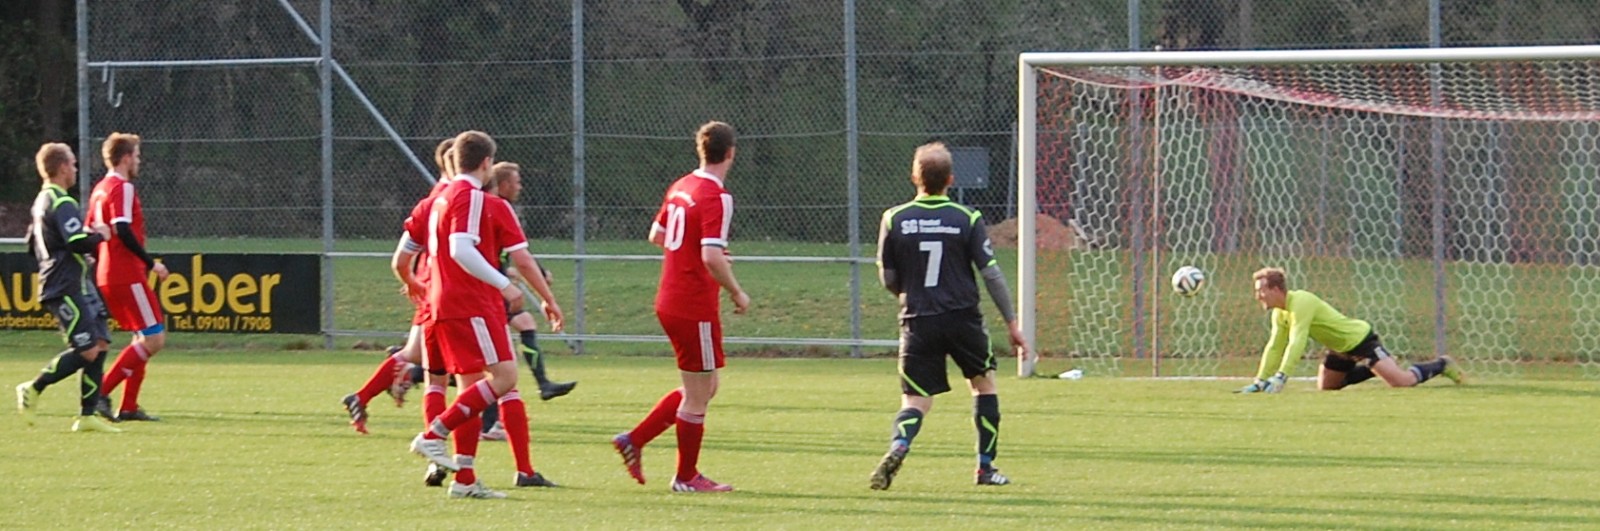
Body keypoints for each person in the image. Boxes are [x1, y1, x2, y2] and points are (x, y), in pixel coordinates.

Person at [406, 130, 564, 499]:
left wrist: (412, 282)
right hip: (472, 303)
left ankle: (464, 479)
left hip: (438, 301)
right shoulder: (476, 199)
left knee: (465, 387)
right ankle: (433, 435)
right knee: (506, 377)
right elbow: (471, 251)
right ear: (487, 163)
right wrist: (516, 288)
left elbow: (403, 255)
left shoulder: (437, 199)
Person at [868, 141, 1030, 490]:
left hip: (918, 318)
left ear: (915, 177)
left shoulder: (894, 218)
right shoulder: (967, 218)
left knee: (915, 400)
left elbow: (888, 277)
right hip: (962, 318)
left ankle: (899, 444)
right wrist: (1011, 322)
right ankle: (985, 468)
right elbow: (991, 274)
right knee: (983, 385)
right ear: (950, 180)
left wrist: (911, 295)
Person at [610, 121, 750, 493]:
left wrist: (698, 254)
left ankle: (634, 440)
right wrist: (736, 291)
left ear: (700, 150)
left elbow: (657, 235)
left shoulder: (681, 186)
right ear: (731, 153)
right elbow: (710, 256)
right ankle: (686, 476)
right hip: (692, 303)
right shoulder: (717, 195)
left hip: (669, 298)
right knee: (699, 393)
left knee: (705, 386)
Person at [341, 137, 456, 435]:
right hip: (438, 288)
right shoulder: (445, 196)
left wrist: (413, 276)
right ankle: (448, 434)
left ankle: (363, 396)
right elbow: (421, 244)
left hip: (432, 283)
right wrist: (414, 278)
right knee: (448, 366)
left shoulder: (445, 193)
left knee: (417, 355)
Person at [15, 142, 120, 433]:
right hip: (64, 286)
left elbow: (31, 245)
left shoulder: (42, 200)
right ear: (62, 167)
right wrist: (99, 236)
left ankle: (87, 415)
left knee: (100, 343)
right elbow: (76, 241)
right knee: (87, 349)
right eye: (72, 164)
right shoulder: (61, 201)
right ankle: (33, 388)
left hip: (73, 282)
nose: (75, 169)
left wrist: (71, 254)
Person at [1237, 267, 1465, 393]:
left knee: (1401, 382)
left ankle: (1442, 364)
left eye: (1261, 291)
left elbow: (1297, 341)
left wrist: (1281, 376)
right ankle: (1374, 369)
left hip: (1359, 340)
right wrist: (1260, 380)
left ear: (1276, 289)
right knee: (1327, 387)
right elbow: (1275, 346)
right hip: (1339, 348)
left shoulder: (1301, 302)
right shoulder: (1279, 313)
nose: (1258, 296)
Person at [87, 132, 168, 422]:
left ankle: (129, 406)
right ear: (125, 158)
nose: (138, 161)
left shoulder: (99, 189)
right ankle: (100, 392)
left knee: (141, 337)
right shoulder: (122, 187)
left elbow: (90, 232)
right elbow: (122, 228)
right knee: (154, 338)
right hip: (126, 272)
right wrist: (150, 263)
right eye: (136, 156)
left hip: (107, 273)